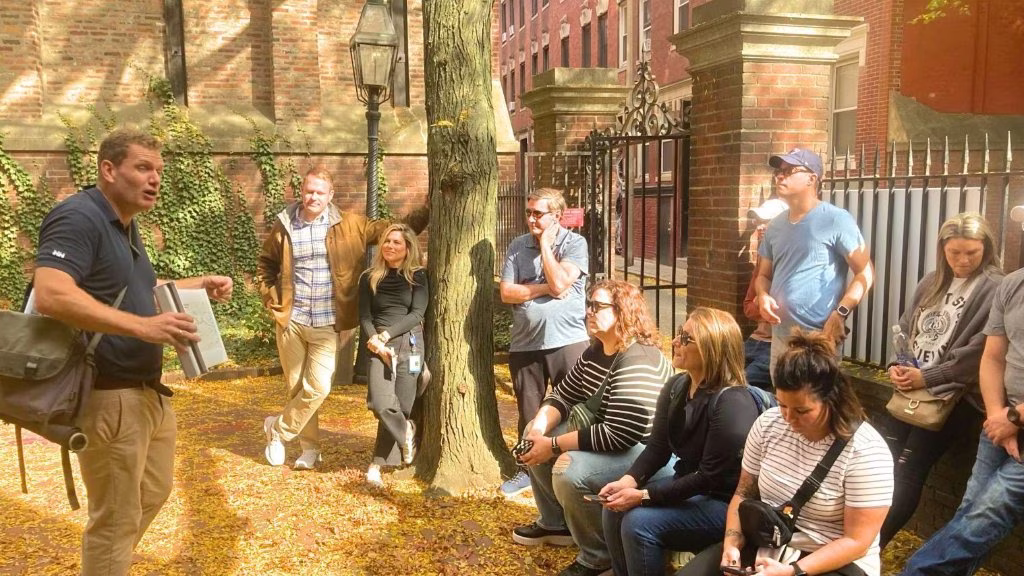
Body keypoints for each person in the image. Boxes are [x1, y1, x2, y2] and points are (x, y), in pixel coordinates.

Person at [32, 128, 234, 576]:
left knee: (153, 493)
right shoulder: (79, 217)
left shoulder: (125, 225)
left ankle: (107, 562)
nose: (155, 179)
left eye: (159, 170)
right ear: (108, 169)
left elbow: (139, 292)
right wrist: (144, 327)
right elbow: (51, 294)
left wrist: (194, 284)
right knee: (115, 519)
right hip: (108, 396)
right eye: (143, 167)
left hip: (149, 394)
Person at [677, 330, 894, 576]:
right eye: (782, 405)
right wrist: (731, 544)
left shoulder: (866, 451)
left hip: (833, 561)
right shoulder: (768, 424)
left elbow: (856, 542)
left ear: (832, 399)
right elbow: (743, 493)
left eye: (802, 411)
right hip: (770, 544)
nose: (789, 418)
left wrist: (792, 571)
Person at [257, 167, 427, 470]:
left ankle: (278, 429)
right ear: (302, 191)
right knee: (297, 389)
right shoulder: (285, 225)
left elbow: (393, 229)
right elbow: (266, 264)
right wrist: (272, 301)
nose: (313, 197)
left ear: (330, 196)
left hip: (326, 322)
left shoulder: (350, 225)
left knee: (319, 387)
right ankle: (310, 450)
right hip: (291, 320)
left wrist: (427, 209)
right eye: (309, 191)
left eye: (320, 192)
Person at [512, 279, 673, 576]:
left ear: (622, 311)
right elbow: (561, 394)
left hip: (652, 456)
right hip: (617, 440)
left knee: (569, 469)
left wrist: (554, 445)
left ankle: (599, 557)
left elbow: (620, 433)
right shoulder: (595, 351)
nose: (589, 311)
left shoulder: (638, 359)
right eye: (588, 305)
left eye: (597, 306)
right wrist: (539, 430)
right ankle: (557, 523)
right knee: (534, 433)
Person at [600, 308, 761, 576]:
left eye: (686, 338)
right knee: (613, 510)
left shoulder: (733, 402)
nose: (675, 342)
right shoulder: (676, 386)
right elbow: (658, 448)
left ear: (712, 349)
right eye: (678, 334)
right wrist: (626, 482)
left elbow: (709, 477)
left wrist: (643, 496)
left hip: (724, 504)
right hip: (688, 488)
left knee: (638, 523)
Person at [878, 213, 1003, 548]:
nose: (962, 261)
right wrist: (898, 365)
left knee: (908, 470)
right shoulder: (933, 280)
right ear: (942, 251)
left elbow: (980, 352)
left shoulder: (995, 287)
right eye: (954, 253)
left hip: (954, 397)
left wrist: (927, 376)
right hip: (911, 389)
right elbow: (904, 326)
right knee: (880, 462)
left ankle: (870, 547)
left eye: (971, 253)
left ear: (986, 250)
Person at [899, 267, 1024, 575]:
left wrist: (1014, 418)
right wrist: (997, 414)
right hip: (1000, 419)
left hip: (1011, 419)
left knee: (987, 513)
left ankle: (915, 572)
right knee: (970, 511)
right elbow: (993, 356)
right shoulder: (1013, 284)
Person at [499, 187, 591, 496]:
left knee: (576, 408)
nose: (531, 219)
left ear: (557, 216)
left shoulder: (575, 243)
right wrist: (543, 289)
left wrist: (547, 246)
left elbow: (562, 284)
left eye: (538, 213)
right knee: (529, 413)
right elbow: (507, 292)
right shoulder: (517, 246)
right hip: (526, 345)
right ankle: (526, 470)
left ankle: (573, 465)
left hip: (568, 341)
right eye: (529, 212)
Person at [754, 148, 873, 380]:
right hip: (780, 336)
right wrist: (762, 295)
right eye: (779, 172)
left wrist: (841, 313)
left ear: (812, 178)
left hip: (819, 337)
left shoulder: (836, 219)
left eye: (789, 171)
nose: (780, 176)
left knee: (817, 407)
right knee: (784, 406)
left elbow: (865, 273)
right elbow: (763, 276)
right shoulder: (775, 226)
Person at [358, 223, 427, 487]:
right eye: (387, 241)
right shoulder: (369, 277)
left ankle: (377, 463)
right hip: (379, 347)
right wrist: (375, 340)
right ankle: (406, 431)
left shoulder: (418, 276)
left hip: (410, 346)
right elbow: (364, 315)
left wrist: (387, 336)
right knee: (380, 402)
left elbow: (417, 314)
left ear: (408, 247)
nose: (390, 246)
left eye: (397, 242)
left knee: (402, 405)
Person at [743, 198, 788, 390]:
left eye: (767, 222)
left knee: (738, 386)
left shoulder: (791, 261)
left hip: (775, 345)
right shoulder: (763, 262)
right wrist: (763, 305)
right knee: (714, 375)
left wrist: (761, 305)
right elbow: (748, 307)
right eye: (759, 222)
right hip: (755, 339)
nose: (761, 228)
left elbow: (785, 313)